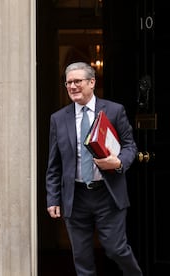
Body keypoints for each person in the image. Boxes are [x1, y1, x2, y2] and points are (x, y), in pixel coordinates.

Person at [46, 61, 143, 276]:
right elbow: (54, 164)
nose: (72, 86)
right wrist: (53, 198)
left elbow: (130, 146)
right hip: (76, 196)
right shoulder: (58, 119)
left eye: (77, 81)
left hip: (107, 194)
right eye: (68, 82)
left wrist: (118, 163)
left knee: (116, 249)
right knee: (82, 258)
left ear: (92, 82)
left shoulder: (115, 111)